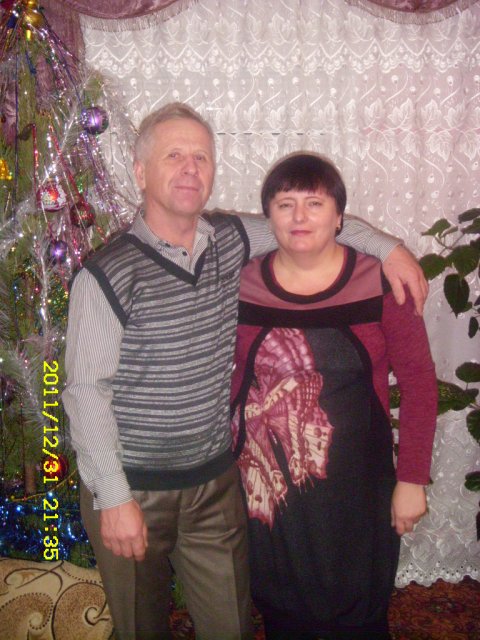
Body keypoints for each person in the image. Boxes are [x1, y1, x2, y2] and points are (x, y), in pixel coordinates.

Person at [63, 103, 429, 640]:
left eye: (201, 157)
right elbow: (84, 391)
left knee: (231, 625)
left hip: (215, 483)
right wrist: (114, 496)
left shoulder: (230, 239)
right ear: (140, 173)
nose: (190, 168)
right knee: (141, 627)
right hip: (135, 484)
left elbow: (309, 224)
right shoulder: (106, 273)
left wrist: (389, 249)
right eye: (174, 156)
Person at [230, 153, 438, 640]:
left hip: (358, 485)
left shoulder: (381, 281)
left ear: (340, 217)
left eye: (315, 203)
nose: (300, 217)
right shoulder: (241, 283)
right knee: (283, 610)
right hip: (270, 488)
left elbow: (418, 382)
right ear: (268, 217)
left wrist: (412, 479)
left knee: (358, 613)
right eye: (286, 204)